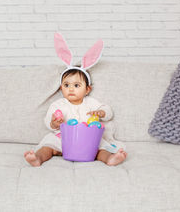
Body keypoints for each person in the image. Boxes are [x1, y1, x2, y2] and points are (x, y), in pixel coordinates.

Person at [24, 33, 127, 167]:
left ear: (87, 89)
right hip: (63, 139)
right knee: (48, 146)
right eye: (67, 85)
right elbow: (48, 121)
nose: (71, 89)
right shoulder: (58, 104)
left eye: (77, 85)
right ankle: (38, 158)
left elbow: (108, 111)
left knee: (100, 149)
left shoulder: (90, 102)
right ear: (61, 88)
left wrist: (101, 112)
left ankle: (110, 159)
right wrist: (54, 122)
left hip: (87, 139)